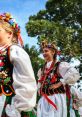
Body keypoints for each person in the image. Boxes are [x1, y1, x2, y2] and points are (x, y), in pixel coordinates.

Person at [0, 12, 37, 117]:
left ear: (9, 34)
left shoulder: (14, 50)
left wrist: (19, 107)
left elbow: (26, 79)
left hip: (9, 102)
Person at [37, 40, 80, 117]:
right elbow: (40, 81)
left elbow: (74, 73)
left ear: (53, 52)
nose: (44, 54)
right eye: (43, 52)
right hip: (44, 99)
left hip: (56, 98)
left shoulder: (60, 65)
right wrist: (39, 89)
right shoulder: (42, 69)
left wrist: (60, 83)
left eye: (46, 51)